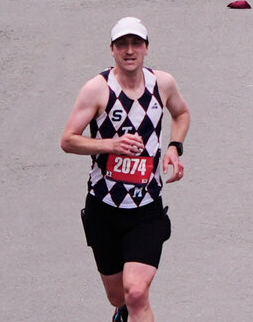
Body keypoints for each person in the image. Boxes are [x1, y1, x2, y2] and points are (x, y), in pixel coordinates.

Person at [58, 18, 190, 322]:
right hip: (104, 208)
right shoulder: (97, 89)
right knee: (119, 296)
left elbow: (181, 113)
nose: (129, 51)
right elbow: (68, 140)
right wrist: (109, 145)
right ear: (112, 50)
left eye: (136, 44)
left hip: (146, 208)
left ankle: (130, 308)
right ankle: (121, 311)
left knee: (136, 293)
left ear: (145, 48)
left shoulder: (162, 83)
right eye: (122, 45)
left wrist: (174, 147)